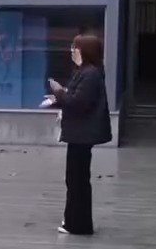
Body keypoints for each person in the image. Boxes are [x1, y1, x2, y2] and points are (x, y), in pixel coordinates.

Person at [47, 33, 111, 236]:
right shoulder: (83, 72)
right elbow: (74, 98)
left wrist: (59, 92)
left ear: (85, 51)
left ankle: (78, 224)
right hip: (78, 134)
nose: (72, 51)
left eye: (75, 48)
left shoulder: (90, 74)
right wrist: (58, 99)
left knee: (77, 180)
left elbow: (77, 103)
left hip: (82, 135)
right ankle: (74, 219)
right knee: (75, 179)